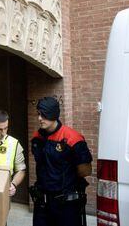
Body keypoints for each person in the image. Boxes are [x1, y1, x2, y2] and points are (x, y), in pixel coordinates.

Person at [30, 97, 92, 226]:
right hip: (42, 203)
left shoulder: (73, 138)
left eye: (44, 115)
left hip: (65, 205)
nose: (39, 118)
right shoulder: (36, 138)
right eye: (39, 114)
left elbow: (85, 170)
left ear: (53, 114)